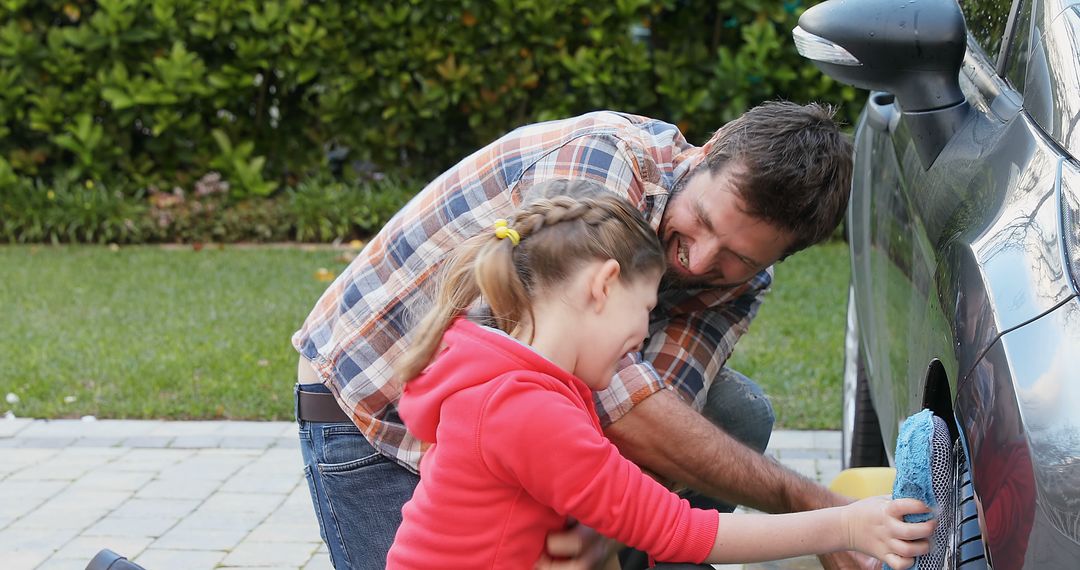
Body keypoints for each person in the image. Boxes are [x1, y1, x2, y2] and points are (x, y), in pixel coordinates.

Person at [293, 102, 862, 570]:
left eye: (738, 256)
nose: (697, 260)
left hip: (512, 425)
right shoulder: (606, 159)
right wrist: (811, 507)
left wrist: (610, 525)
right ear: (705, 155)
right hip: (366, 409)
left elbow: (669, 392)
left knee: (735, 414)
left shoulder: (738, 285)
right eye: (705, 223)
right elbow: (627, 408)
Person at [383, 190, 935, 569]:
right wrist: (842, 526)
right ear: (604, 286)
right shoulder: (524, 408)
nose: (644, 330)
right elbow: (679, 531)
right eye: (646, 306)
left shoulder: (505, 378)